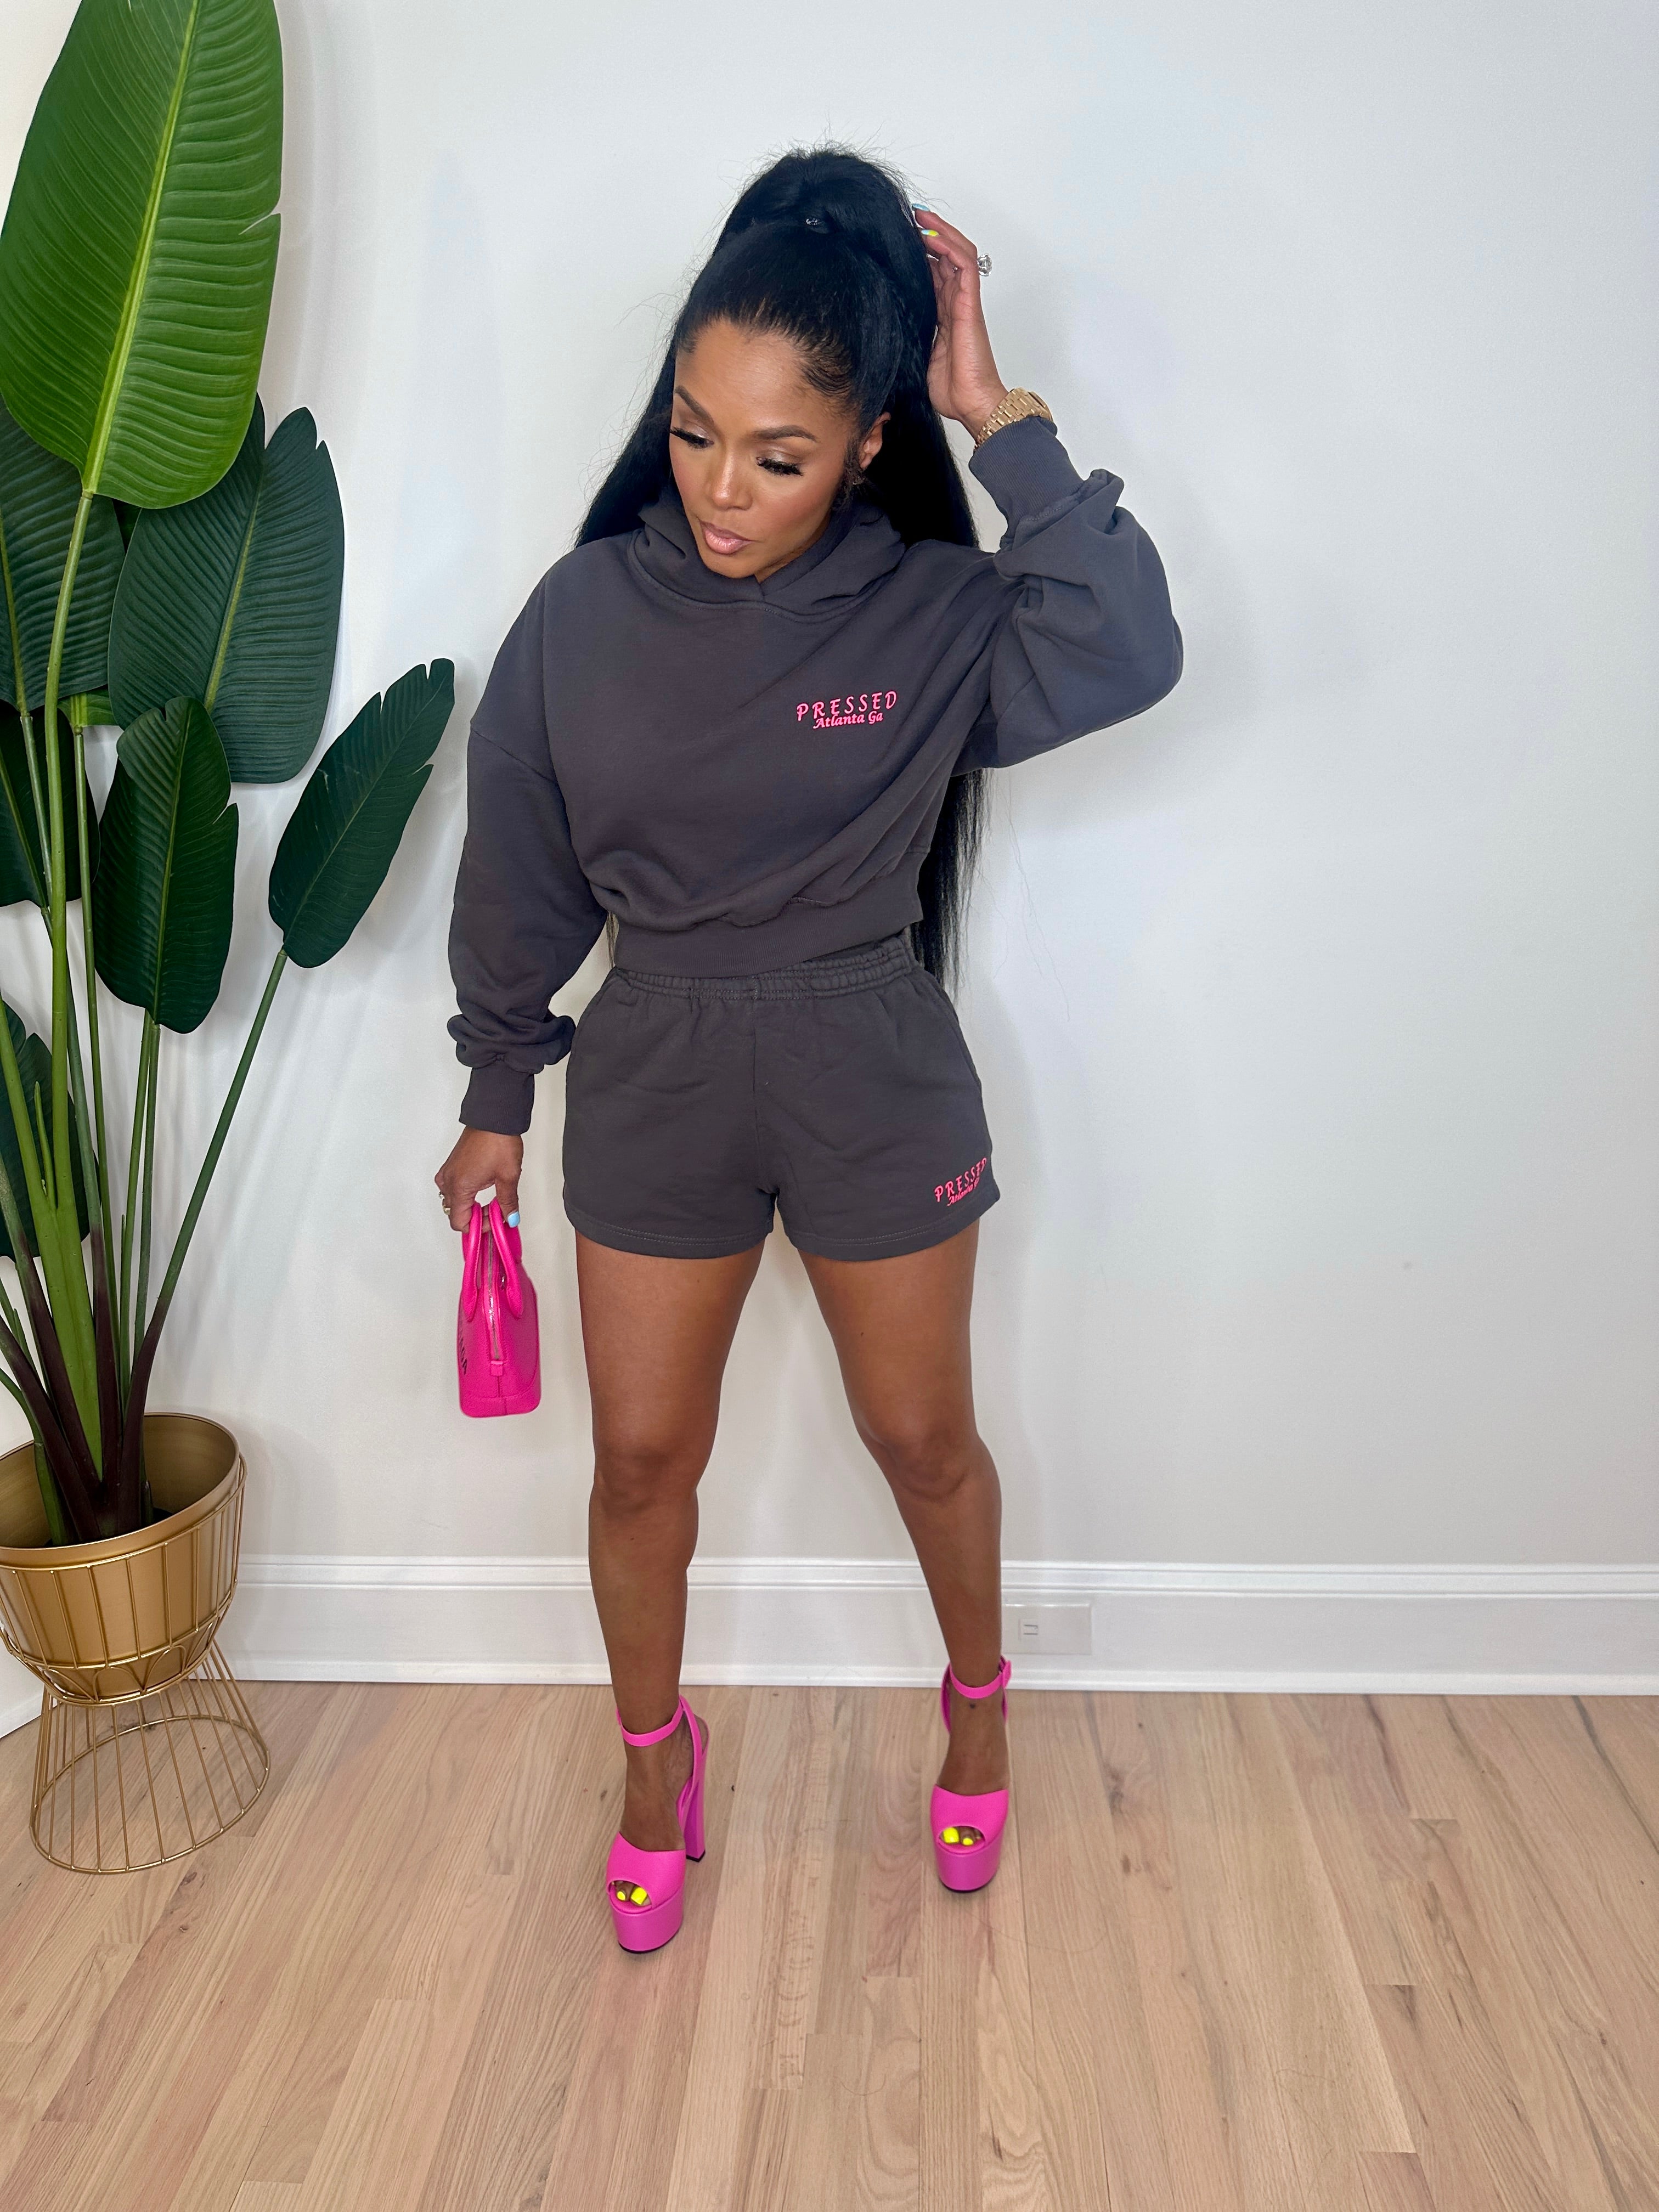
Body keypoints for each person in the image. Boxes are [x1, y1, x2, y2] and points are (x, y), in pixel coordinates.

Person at [436, 146, 1182, 1953]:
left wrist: (998, 416)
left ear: (864, 444)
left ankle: (979, 1707)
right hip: (657, 1076)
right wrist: (495, 1095)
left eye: (777, 455)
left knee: (924, 1439)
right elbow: (520, 866)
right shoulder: (579, 617)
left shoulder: (933, 615)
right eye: (694, 433)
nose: (719, 487)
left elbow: (1131, 646)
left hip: (870, 1069)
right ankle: (652, 1765)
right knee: (638, 1464)